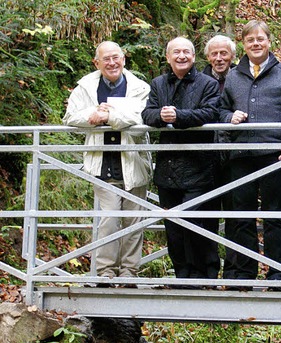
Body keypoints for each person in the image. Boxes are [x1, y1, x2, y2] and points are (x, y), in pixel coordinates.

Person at [63, 41, 152, 286]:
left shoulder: (139, 87)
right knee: (110, 220)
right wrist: (94, 116)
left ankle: (129, 274)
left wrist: (108, 116)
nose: (112, 63)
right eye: (106, 59)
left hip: (133, 162)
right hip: (102, 163)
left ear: (124, 59)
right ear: (97, 63)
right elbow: (70, 116)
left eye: (116, 58)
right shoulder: (86, 86)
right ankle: (105, 272)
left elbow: (141, 116)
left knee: (134, 222)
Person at [218, 20, 281, 283]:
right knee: (242, 217)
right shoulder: (233, 75)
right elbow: (220, 110)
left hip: (274, 154)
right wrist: (230, 116)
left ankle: (278, 273)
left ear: (269, 41)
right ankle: (245, 273)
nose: (256, 43)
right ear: (244, 44)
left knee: (276, 217)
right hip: (241, 155)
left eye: (260, 39)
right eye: (250, 39)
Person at [141, 37, 220, 282]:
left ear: (194, 57)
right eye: (176, 52)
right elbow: (147, 113)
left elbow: (211, 112)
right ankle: (182, 273)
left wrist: (178, 116)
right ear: (168, 57)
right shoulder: (158, 83)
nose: (182, 56)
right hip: (168, 166)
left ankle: (204, 274)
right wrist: (160, 116)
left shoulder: (208, 83)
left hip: (200, 165)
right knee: (173, 226)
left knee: (197, 220)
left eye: (187, 52)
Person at [202, 35, 238, 279]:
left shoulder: (241, 77)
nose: (219, 58)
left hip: (236, 155)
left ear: (232, 56)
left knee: (237, 216)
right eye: (214, 54)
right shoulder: (199, 80)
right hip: (205, 157)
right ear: (207, 57)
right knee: (206, 215)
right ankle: (208, 271)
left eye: (223, 53)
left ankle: (236, 272)